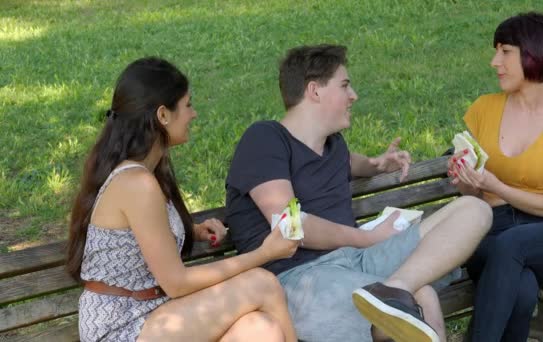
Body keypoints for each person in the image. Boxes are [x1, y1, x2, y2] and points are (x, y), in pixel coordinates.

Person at [225, 44, 493, 342]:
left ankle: (397, 288)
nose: (353, 96)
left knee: (474, 210)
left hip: (358, 262)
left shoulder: (333, 145)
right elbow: (290, 226)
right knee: (424, 298)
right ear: (314, 90)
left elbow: (350, 162)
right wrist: (368, 237)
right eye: (344, 86)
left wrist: (378, 165)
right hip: (299, 280)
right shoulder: (265, 139)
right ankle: (395, 295)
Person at [66, 57, 299, 342]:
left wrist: (191, 230)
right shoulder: (137, 183)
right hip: (122, 324)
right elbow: (177, 284)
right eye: (188, 104)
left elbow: (138, 238)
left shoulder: (144, 176)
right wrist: (264, 254)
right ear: (163, 115)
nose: (193, 114)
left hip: (151, 311)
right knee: (262, 283)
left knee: (260, 330)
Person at [448, 12, 543, 342]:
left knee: (515, 247)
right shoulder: (483, 109)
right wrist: (464, 180)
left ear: (534, 53)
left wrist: (496, 185)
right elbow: (469, 196)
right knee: (523, 288)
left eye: (505, 52)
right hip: (487, 229)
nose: (494, 62)